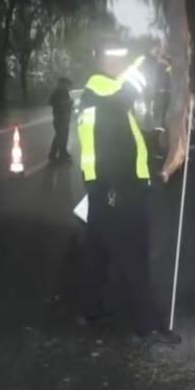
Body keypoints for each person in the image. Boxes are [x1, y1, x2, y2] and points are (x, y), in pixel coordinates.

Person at [77, 47, 181, 345]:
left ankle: (92, 308)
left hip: (102, 187)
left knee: (97, 250)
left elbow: (121, 138)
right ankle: (147, 326)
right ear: (101, 63)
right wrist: (148, 58)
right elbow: (132, 84)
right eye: (115, 58)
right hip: (117, 188)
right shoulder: (102, 88)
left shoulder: (104, 100)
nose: (121, 64)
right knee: (134, 253)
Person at [48, 77, 73, 162]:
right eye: (67, 84)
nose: (68, 86)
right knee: (60, 136)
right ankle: (53, 154)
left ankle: (63, 153)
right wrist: (67, 103)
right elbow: (52, 102)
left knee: (63, 136)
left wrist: (69, 104)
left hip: (64, 117)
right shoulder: (58, 91)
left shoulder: (63, 92)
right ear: (63, 83)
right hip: (60, 117)